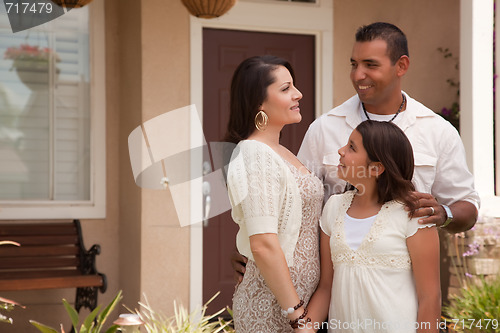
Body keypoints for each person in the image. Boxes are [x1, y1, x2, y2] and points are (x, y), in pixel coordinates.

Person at [231, 21, 479, 282]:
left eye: (370, 65)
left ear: (401, 66)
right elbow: (288, 202)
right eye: (354, 64)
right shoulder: (324, 128)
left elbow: (468, 206)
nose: (358, 74)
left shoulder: (438, 131)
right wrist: (247, 244)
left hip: (407, 289)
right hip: (335, 287)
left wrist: (444, 213)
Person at [303, 120, 441, 333]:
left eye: (351, 147)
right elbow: (325, 288)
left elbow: (430, 297)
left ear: (376, 168)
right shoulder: (333, 208)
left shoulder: (414, 214)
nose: (340, 151)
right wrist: (304, 328)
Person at [225, 55, 324, 332]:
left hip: (297, 304)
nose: (298, 94)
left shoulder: (281, 153)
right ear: (258, 103)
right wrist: (297, 316)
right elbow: (263, 243)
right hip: (273, 307)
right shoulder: (253, 153)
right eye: (285, 89)